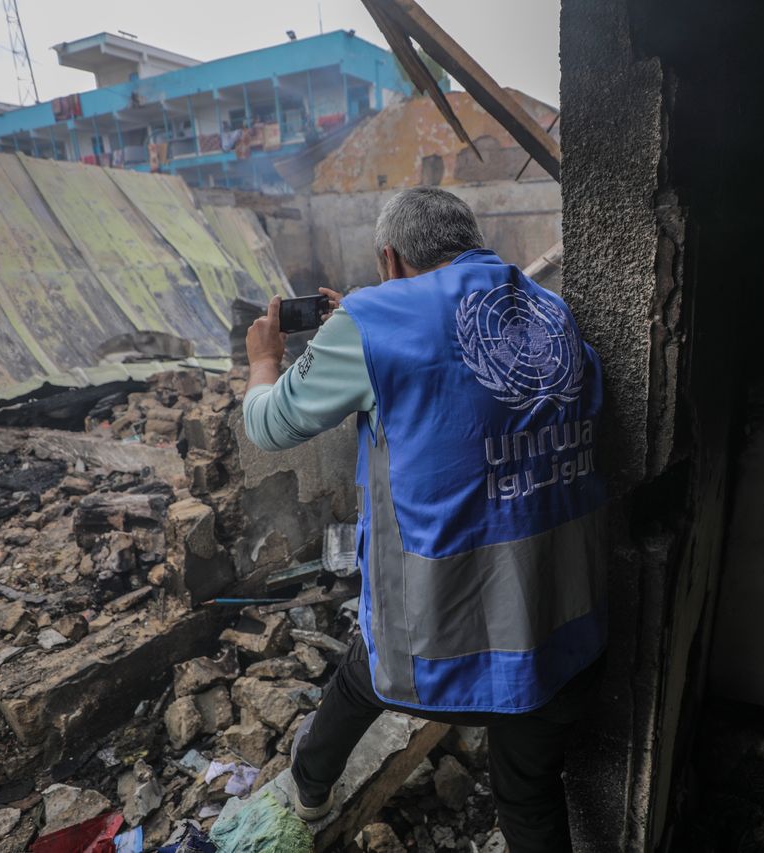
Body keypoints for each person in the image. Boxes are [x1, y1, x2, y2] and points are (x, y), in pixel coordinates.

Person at [243, 187, 606, 853]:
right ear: (470, 242)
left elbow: (270, 424)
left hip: (442, 639)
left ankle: (308, 788)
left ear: (389, 257)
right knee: (528, 792)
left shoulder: (375, 319)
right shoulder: (552, 311)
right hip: (561, 627)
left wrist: (266, 361)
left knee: (366, 672)